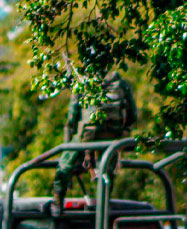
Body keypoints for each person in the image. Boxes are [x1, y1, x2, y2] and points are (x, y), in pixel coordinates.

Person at [53, 71, 137, 213]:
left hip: (86, 138)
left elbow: (72, 120)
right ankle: (104, 204)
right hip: (112, 137)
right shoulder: (120, 83)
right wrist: (124, 131)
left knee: (64, 165)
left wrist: (67, 144)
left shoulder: (81, 83)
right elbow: (133, 114)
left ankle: (57, 201)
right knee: (108, 170)